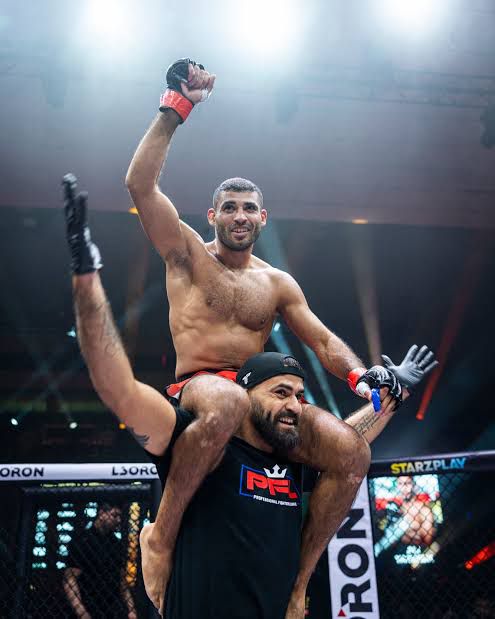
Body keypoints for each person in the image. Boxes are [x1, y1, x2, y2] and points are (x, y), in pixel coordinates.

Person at [63, 503, 136, 619]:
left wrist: (131, 610)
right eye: (114, 515)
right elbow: (70, 580)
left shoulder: (116, 545)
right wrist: (82, 613)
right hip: (88, 604)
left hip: (111, 609)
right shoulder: (82, 540)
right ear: (101, 514)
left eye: (120, 517)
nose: (118, 520)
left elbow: (122, 581)